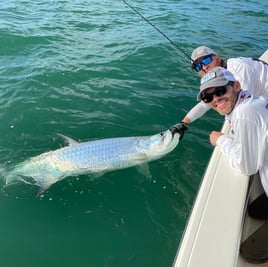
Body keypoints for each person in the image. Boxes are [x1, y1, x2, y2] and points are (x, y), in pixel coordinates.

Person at [197, 66, 268, 265]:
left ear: (236, 86)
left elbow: (247, 167)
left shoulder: (245, 113)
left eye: (220, 91)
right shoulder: (252, 102)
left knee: (250, 253)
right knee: (254, 212)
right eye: (207, 98)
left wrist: (221, 140)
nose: (215, 99)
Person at [170, 46, 268, 137]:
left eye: (206, 60)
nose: (204, 67)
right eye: (198, 67)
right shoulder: (219, 76)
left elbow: (242, 106)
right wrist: (183, 123)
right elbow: (205, 103)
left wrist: (222, 139)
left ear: (217, 57)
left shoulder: (237, 69)